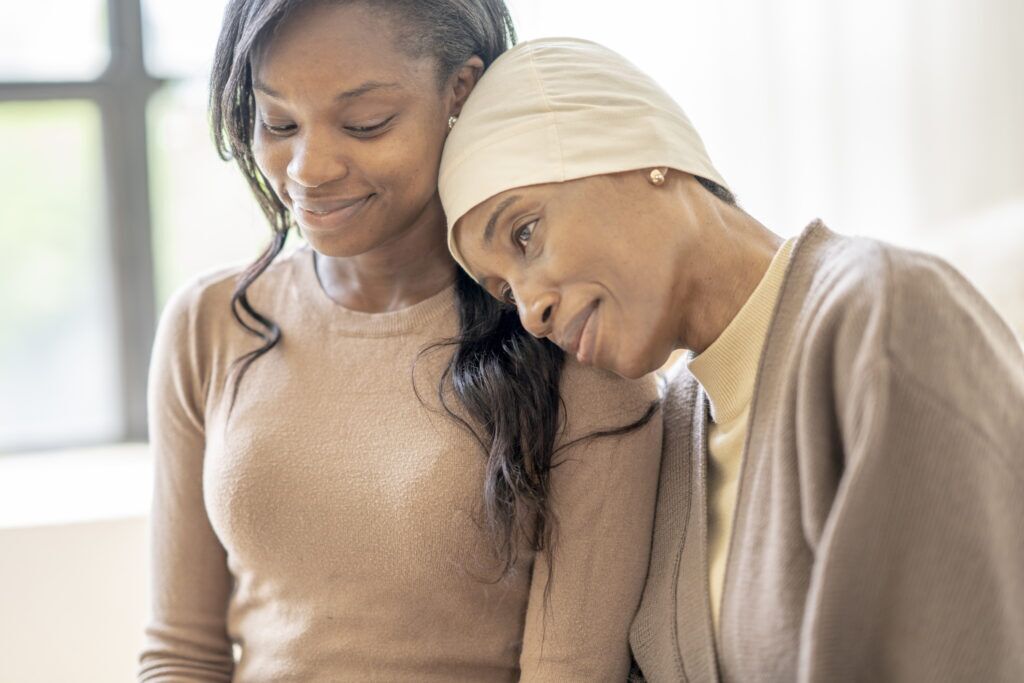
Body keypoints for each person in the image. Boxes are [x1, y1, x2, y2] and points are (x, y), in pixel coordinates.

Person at [438, 37, 1024, 682]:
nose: (529, 312)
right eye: (504, 291)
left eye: (525, 234)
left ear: (641, 149)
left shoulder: (884, 316)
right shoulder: (674, 436)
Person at [138, 7, 663, 681]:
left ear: (461, 93)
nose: (308, 169)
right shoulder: (208, 323)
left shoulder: (571, 338)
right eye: (279, 123)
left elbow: (574, 670)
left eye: (365, 124)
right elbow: (181, 652)